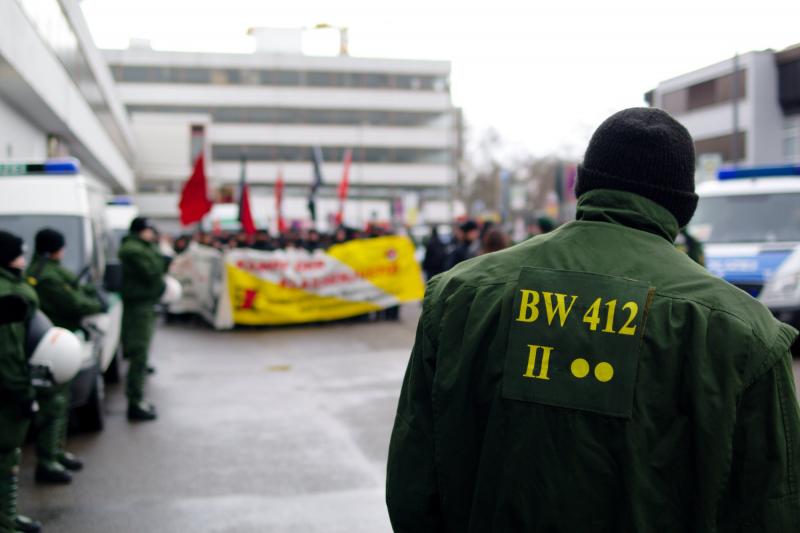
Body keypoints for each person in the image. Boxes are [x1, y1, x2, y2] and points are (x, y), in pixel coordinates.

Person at [386, 108, 800, 531]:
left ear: (582, 184)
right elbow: (772, 512)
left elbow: (412, 488)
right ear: (686, 208)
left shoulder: (460, 296)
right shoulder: (745, 333)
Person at [26, 229, 105, 485]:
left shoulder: (49, 270)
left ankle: (56, 452)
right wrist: (95, 303)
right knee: (53, 405)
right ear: (54, 248)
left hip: (61, 340)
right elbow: (73, 303)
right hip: (53, 344)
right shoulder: (46, 275)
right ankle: (48, 460)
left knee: (61, 403)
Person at [0, 231, 42, 533]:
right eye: (18, 254)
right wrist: (24, 393)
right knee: (5, 457)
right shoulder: (7, 294)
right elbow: (8, 355)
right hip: (5, 393)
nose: (24, 261)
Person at [119, 217, 166, 422]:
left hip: (142, 305)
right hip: (138, 307)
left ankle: (136, 399)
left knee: (141, 354)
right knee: (139, 355)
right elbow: (154, 270)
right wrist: (157, 250)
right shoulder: (134, 250)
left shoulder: (138, 247)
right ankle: (134, 402)